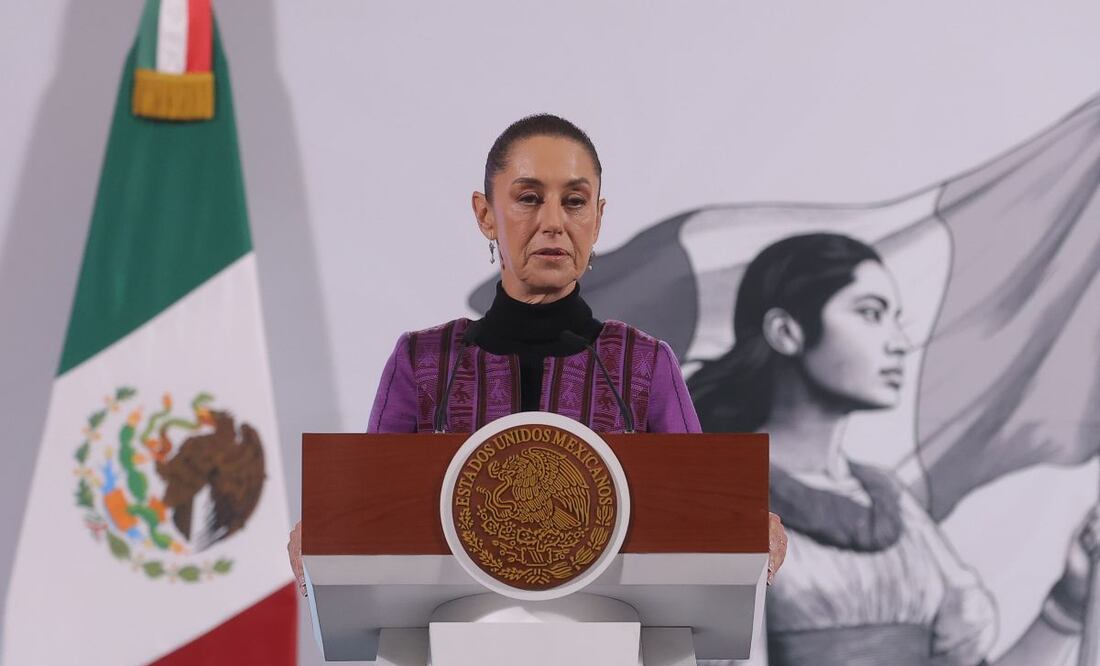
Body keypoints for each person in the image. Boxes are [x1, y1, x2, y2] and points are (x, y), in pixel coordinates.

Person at [288, 113, 788, 596]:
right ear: (485, 214)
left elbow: (700, 510)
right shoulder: (423, 362)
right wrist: (331, 531)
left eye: (574, 201)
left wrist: (741, 526)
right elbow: (373, 515)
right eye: (528, 198)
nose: (553, 222)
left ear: (598, 219)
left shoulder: (643, 365)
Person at [689, 232, 1100, 666]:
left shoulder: (895, 504)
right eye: (871, 313)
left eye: (895, 318)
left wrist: (1068, 604)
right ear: (785, 331)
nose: (900, 343)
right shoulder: (719, 496)